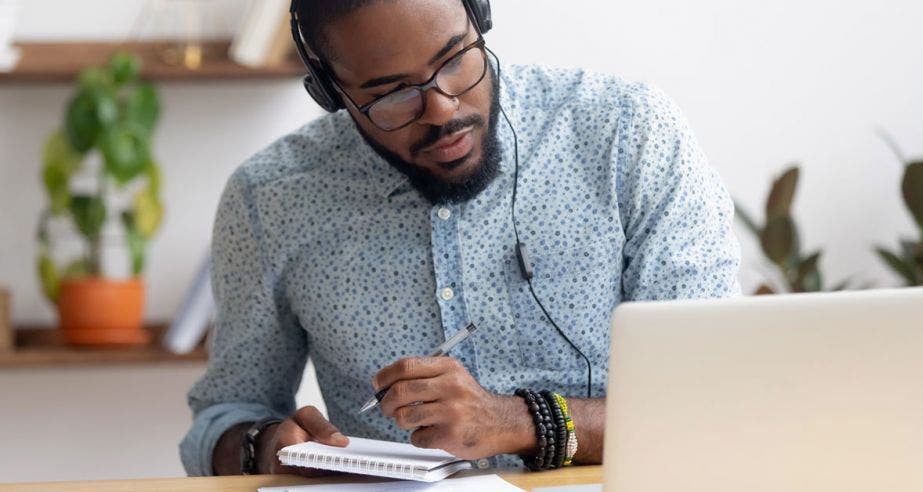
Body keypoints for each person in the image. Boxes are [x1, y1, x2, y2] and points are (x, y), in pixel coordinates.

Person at [180, 0, 741, 476]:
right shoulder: (271, 197)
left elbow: (714, 398)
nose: (443, 108)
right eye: (391, 94)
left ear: (480, 17)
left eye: (454, 60)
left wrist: (518, 422)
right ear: (331, 92)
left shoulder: (627, 133)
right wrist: (266, 448)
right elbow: (223, 417)